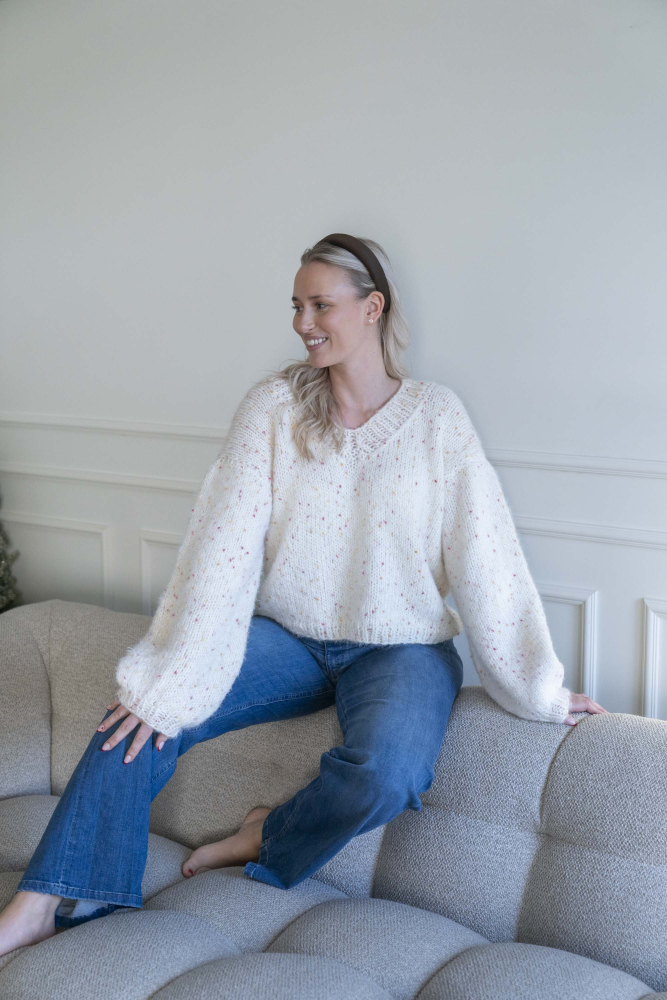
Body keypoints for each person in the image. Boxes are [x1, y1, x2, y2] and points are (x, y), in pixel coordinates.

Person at [0, 232, 607, 957]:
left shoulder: (436, 419)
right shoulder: (274, 408)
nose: (302, 323)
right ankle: (44, 902)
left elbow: (487, 558)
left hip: (402, 649)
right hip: (289, 640)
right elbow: (220, 549)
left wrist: (537, 689)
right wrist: (172, 672)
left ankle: (268, 834)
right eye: (296, 306)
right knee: (138, 715)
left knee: (387, 773)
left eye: (320, 305)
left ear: (372, 308)